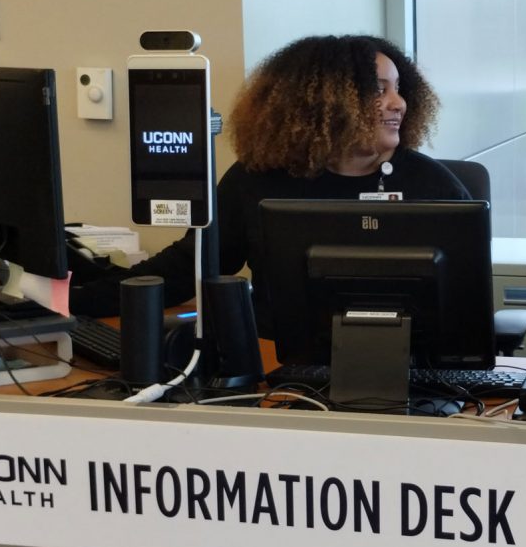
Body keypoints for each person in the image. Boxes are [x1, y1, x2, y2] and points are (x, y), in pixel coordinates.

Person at [70, 35, 469, 336]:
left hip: (409, 365)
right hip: (277, 364)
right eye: (379, 90)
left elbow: (464, 300)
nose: (398, 103)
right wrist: (67, 301)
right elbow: (186, 270)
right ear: (325, 103)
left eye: (399, 88)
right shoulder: (257, 180)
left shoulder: (432, 185)